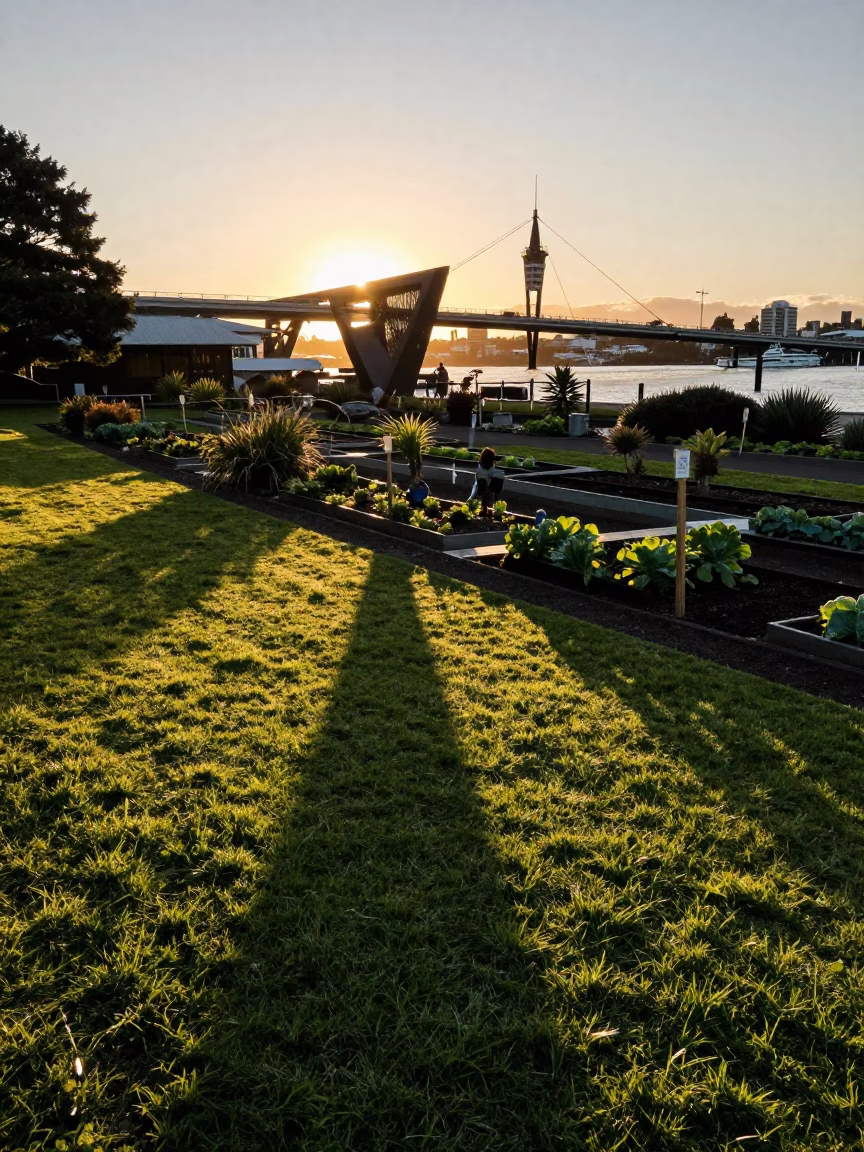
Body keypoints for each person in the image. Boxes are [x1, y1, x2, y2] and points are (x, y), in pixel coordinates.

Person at [469, 447, 505, 516]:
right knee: (484, 487)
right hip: (483, 488)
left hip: (490, 489)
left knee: (490, 488)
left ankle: (489, 508)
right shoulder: (482, 470)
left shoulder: (491, 469)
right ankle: (486, 507)